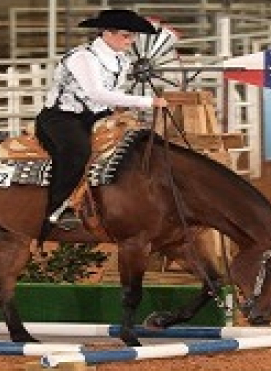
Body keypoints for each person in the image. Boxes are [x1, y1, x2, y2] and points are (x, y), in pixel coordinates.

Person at [35, 8, 167, 236]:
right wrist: (146, 102)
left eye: (134, 36)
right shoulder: (83, 57)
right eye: (127, 35)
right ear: (107, 33)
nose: (131, 41)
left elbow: (111, 94)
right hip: (62, 117)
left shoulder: (122, 61)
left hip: (97, 116)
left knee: (130, 147)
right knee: (77, 152)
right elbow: (96, 93)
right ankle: (56, 210)